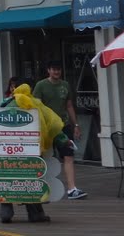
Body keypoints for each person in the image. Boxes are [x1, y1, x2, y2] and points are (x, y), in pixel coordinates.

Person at [0, 81, 62, 224]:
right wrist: (63, 139)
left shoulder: (5, 104)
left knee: (7, 178)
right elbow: (53, 122)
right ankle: (35, 214)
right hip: (30, 150)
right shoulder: (35, 104)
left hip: (6, 151)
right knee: (30, 180)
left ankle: (6, 212)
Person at [33, 60, 86, 200]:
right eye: (53, 69)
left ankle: (72, 188)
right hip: (47, 127)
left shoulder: (65, 85)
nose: (56, 72)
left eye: (58, 69)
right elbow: (36, 106)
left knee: (68, 155)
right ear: (48, 71)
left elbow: (69, 105)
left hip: (64, 126)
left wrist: (76, 125)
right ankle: (40, 187)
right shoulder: (41, 85)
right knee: (43, 156)